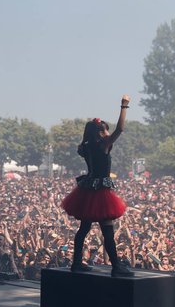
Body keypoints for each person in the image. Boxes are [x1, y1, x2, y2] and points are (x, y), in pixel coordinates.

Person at [61, 95, 134, 277]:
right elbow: (121, 129)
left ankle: (76, 263)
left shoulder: (85, 146)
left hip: (87, 191)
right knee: (107, 231)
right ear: (99, 134)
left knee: (84, 228)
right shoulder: (103, 145)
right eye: (105, 131)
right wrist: (124, 106)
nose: (108, 134)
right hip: (101, 193)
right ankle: (116, 266)